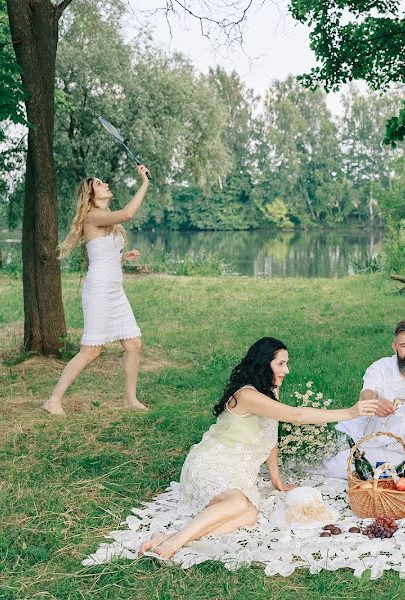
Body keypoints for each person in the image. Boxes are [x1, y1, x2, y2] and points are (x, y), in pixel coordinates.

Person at [138, 337, 378, 560]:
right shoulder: (246, 395)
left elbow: (269, 434)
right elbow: (296, 415)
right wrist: (350, 412)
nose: (287, 370)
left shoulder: (270, 390)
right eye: (281, 363)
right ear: (265, 364)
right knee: (237, 505)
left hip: (237, 472)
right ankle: (173, 543)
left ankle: (171, 538)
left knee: (250, 515)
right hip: (211, 462)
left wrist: (277, 480)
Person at [42, 166, 150, 416]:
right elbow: (128, 213)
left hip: (114, 290)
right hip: (99, 290)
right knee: (91, 350)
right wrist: (144, 182)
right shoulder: (91, 215)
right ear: (90, 194)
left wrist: (122, 256)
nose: (105, 184)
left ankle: (130, 400)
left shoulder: (104, 215)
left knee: (133, 343)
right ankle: (53, 400)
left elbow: (101, 254)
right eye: (99, 183)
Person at [314, 320, 405, 479]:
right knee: (327, 466)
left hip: (402, 452)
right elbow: (366, 394)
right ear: (394, 347)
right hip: (363, 443)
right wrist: (375, 402)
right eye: (404, 346)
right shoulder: (380, 368)